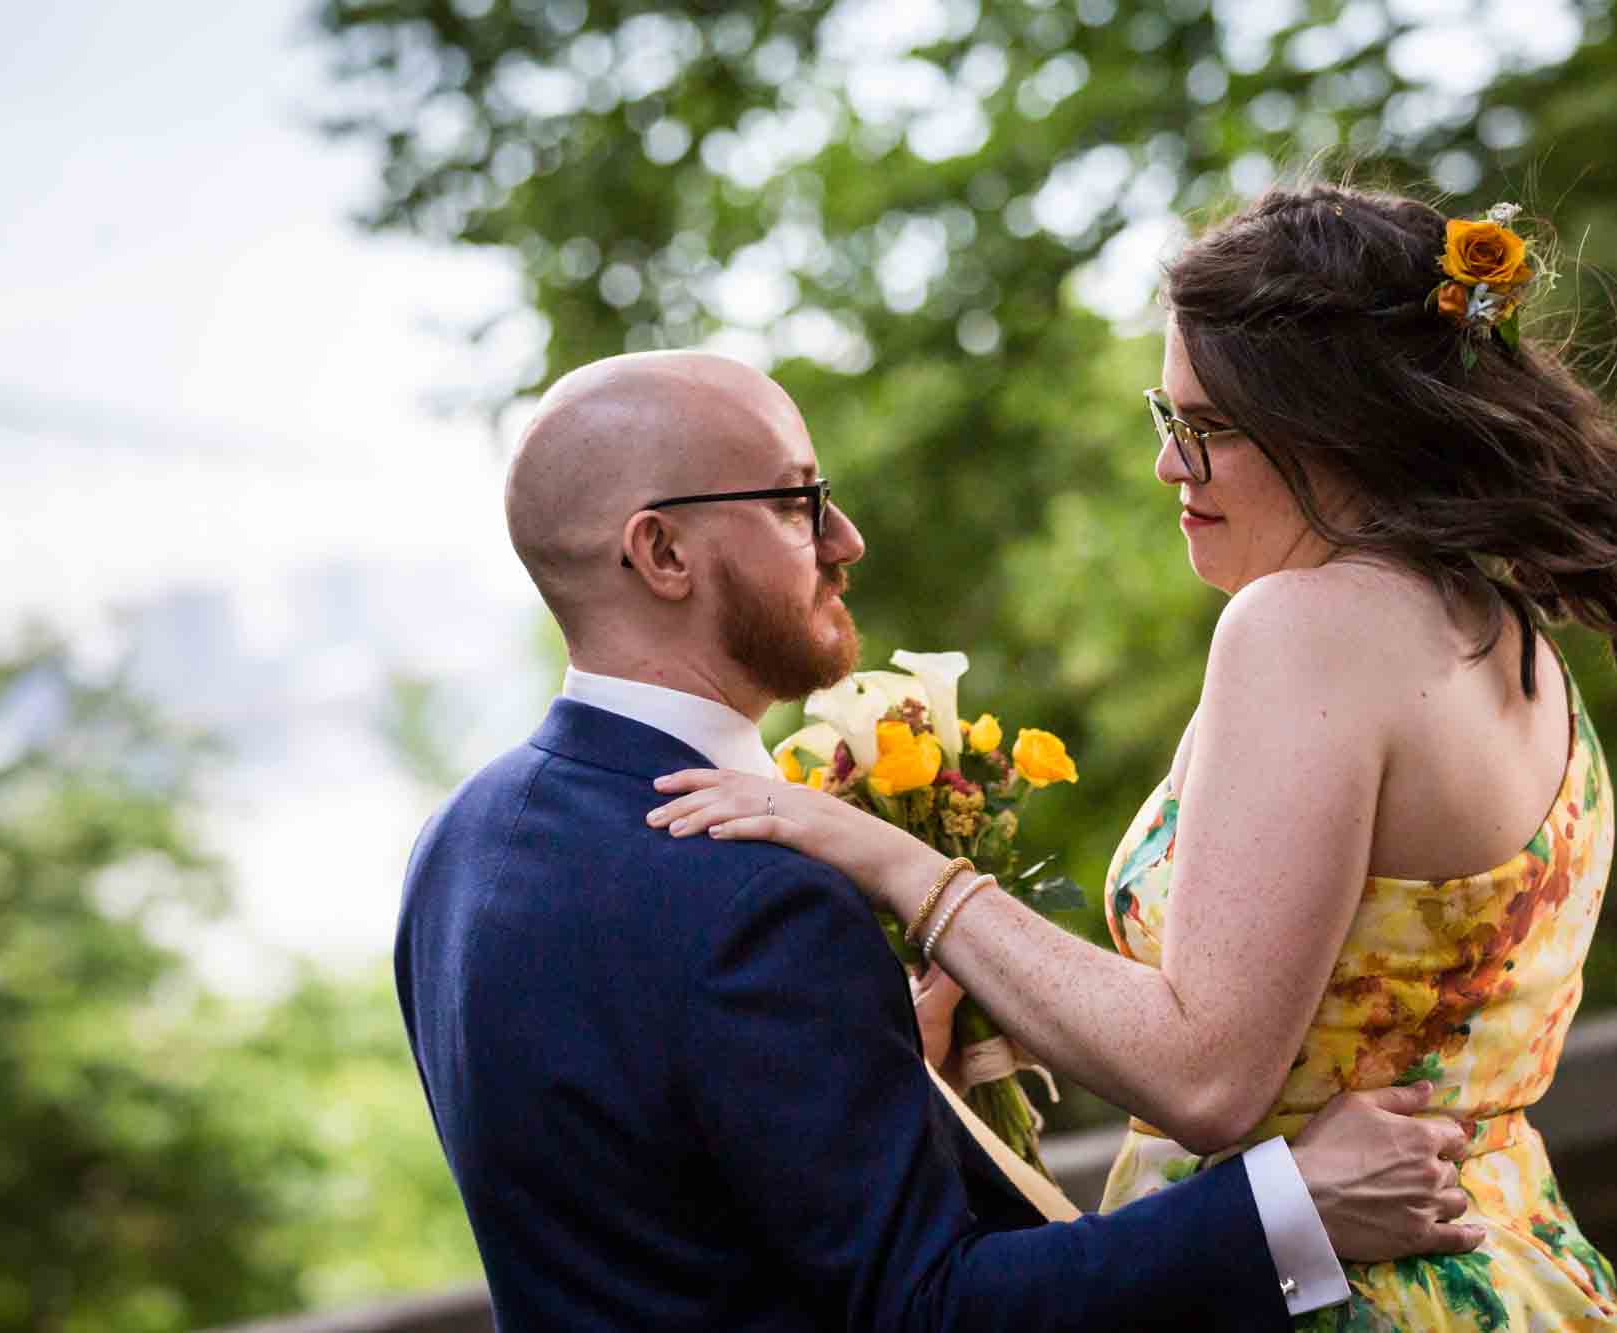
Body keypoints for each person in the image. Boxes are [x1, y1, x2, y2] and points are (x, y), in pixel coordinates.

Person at [653, 181, 1617, 1331]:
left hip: (1338, 1295)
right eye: (1161, 416)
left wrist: (892, 864)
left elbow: (1207, 1076)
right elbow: (1329, 1003)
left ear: (1333, 424)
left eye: (1204, 429)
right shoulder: (1500, 633)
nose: (1170, 467)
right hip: (1510, 1264)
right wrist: (1004, 999)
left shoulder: (1302, 628)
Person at [395, 348, 1485, 1332]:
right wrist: (1290, 1211)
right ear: (662, 550)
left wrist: (884, 1078)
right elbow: (925, 1309)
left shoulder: (455, 846)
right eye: (794, 501)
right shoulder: (751, 896)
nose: (844, 539)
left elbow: (660, 1203)